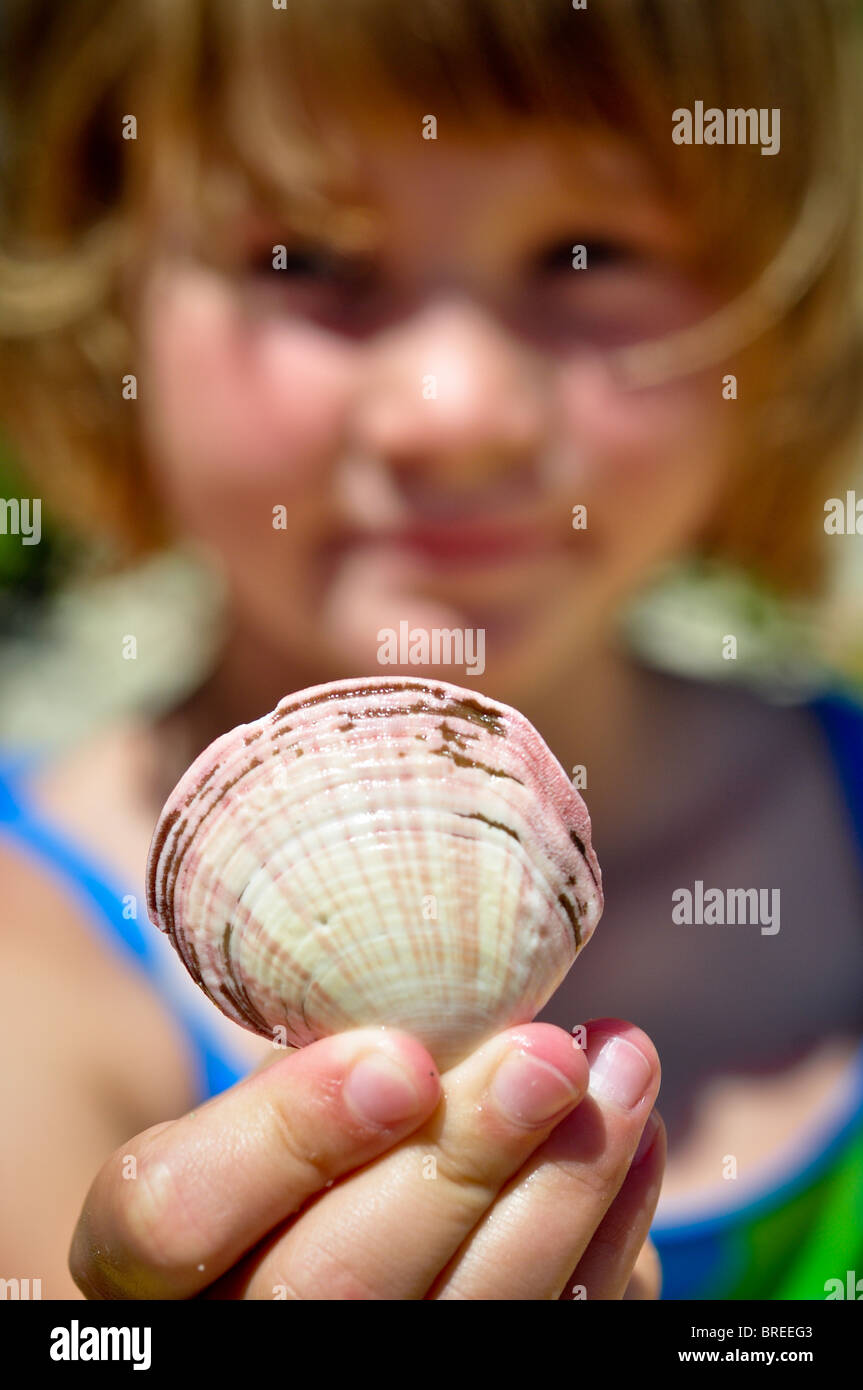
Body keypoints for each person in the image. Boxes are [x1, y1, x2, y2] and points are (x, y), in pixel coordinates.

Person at [0, 0, 861, 1301]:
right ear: (104, 277)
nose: (455, 411)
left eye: (587, 250)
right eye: (304, 258)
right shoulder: (34, 992)